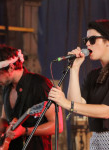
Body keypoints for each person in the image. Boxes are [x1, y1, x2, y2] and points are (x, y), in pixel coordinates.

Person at [0, 43, 63, 150]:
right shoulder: (7, 87)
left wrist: (25, 131)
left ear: (11, 68)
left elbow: (58, 126)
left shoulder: (40, 85)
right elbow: (5, 119)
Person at [48, 19, 109, 150]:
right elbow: (76, 104)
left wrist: (65, 103)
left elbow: (107, 111)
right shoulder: (94, 75)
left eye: (92, 40)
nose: (87, 44)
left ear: (107, 42)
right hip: (97, 139)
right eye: (85, 40)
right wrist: (74, 69)